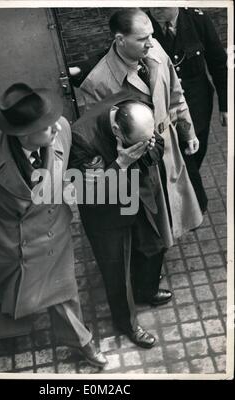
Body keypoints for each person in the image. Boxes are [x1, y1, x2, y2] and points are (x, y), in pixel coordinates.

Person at [0, 82, 107, 368]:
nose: (55, 128)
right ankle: (0, 327)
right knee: (1, 280)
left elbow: (76, 161)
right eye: (46, 126)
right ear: (22, 133)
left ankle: (82, 342)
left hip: (53, 232)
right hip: (9, 239)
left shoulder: (63, 129)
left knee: (63, 294)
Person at [80, 8, 203, 242]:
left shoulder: (156, 49)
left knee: (174, 198)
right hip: (138, 162)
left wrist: (187, 131)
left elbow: (176, 95)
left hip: (169, 145)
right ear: (120, 40)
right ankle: (154, 255)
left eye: (151, 35)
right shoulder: (97, 83)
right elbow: (99, 137)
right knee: (151, 216)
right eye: (142, 38)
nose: (150, 43)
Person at [70, 90, 176, 348]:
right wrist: (121, 163)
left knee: (153, 246)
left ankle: (147, 290)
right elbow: (89, 192)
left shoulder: (138, 104)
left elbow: (159, 146)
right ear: (117, 130)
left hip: (138, 195)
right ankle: (127, 323)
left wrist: (150, 147)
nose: (143, 143)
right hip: (105, 214)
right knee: (116, 272)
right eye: (136, 142)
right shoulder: (81, 138)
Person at [147, 7, 228, 213]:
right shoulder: (143, 23)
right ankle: (195, 207)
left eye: (160, 5)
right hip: (165, 109)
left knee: (196, 152)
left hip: (199, 105)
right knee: (184, 157)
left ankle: (186, 194)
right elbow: (116, 50)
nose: (154, 9)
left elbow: (219, 64)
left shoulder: (198, 21)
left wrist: (225, 105)